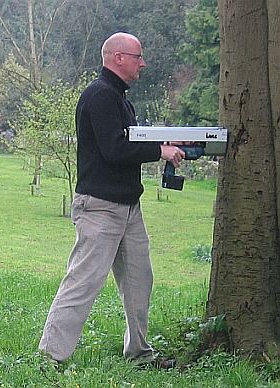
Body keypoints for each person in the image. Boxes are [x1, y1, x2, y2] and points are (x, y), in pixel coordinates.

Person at [38, 32, 184, 368]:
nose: (142, 63)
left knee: (138, 281)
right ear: (117, 57)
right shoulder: (100, 95)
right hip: (100, 207)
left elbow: (130, 138)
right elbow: (115, 149)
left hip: (128, 208)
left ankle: (140, 354)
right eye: (137, 56)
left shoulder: (119, 98)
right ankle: (49, 359)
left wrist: (164, 139)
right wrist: (158, 151)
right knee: (83, 282)